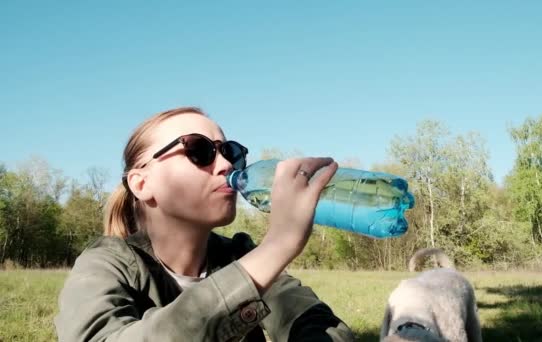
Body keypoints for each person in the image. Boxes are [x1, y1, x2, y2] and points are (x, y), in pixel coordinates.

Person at [54, 107, 355, 341]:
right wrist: (276, 248)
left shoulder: (237, 254)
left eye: (230, 151)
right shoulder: (105, 264)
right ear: (142, 183)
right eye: (199, 150)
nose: (226, 165)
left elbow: (314, 323)